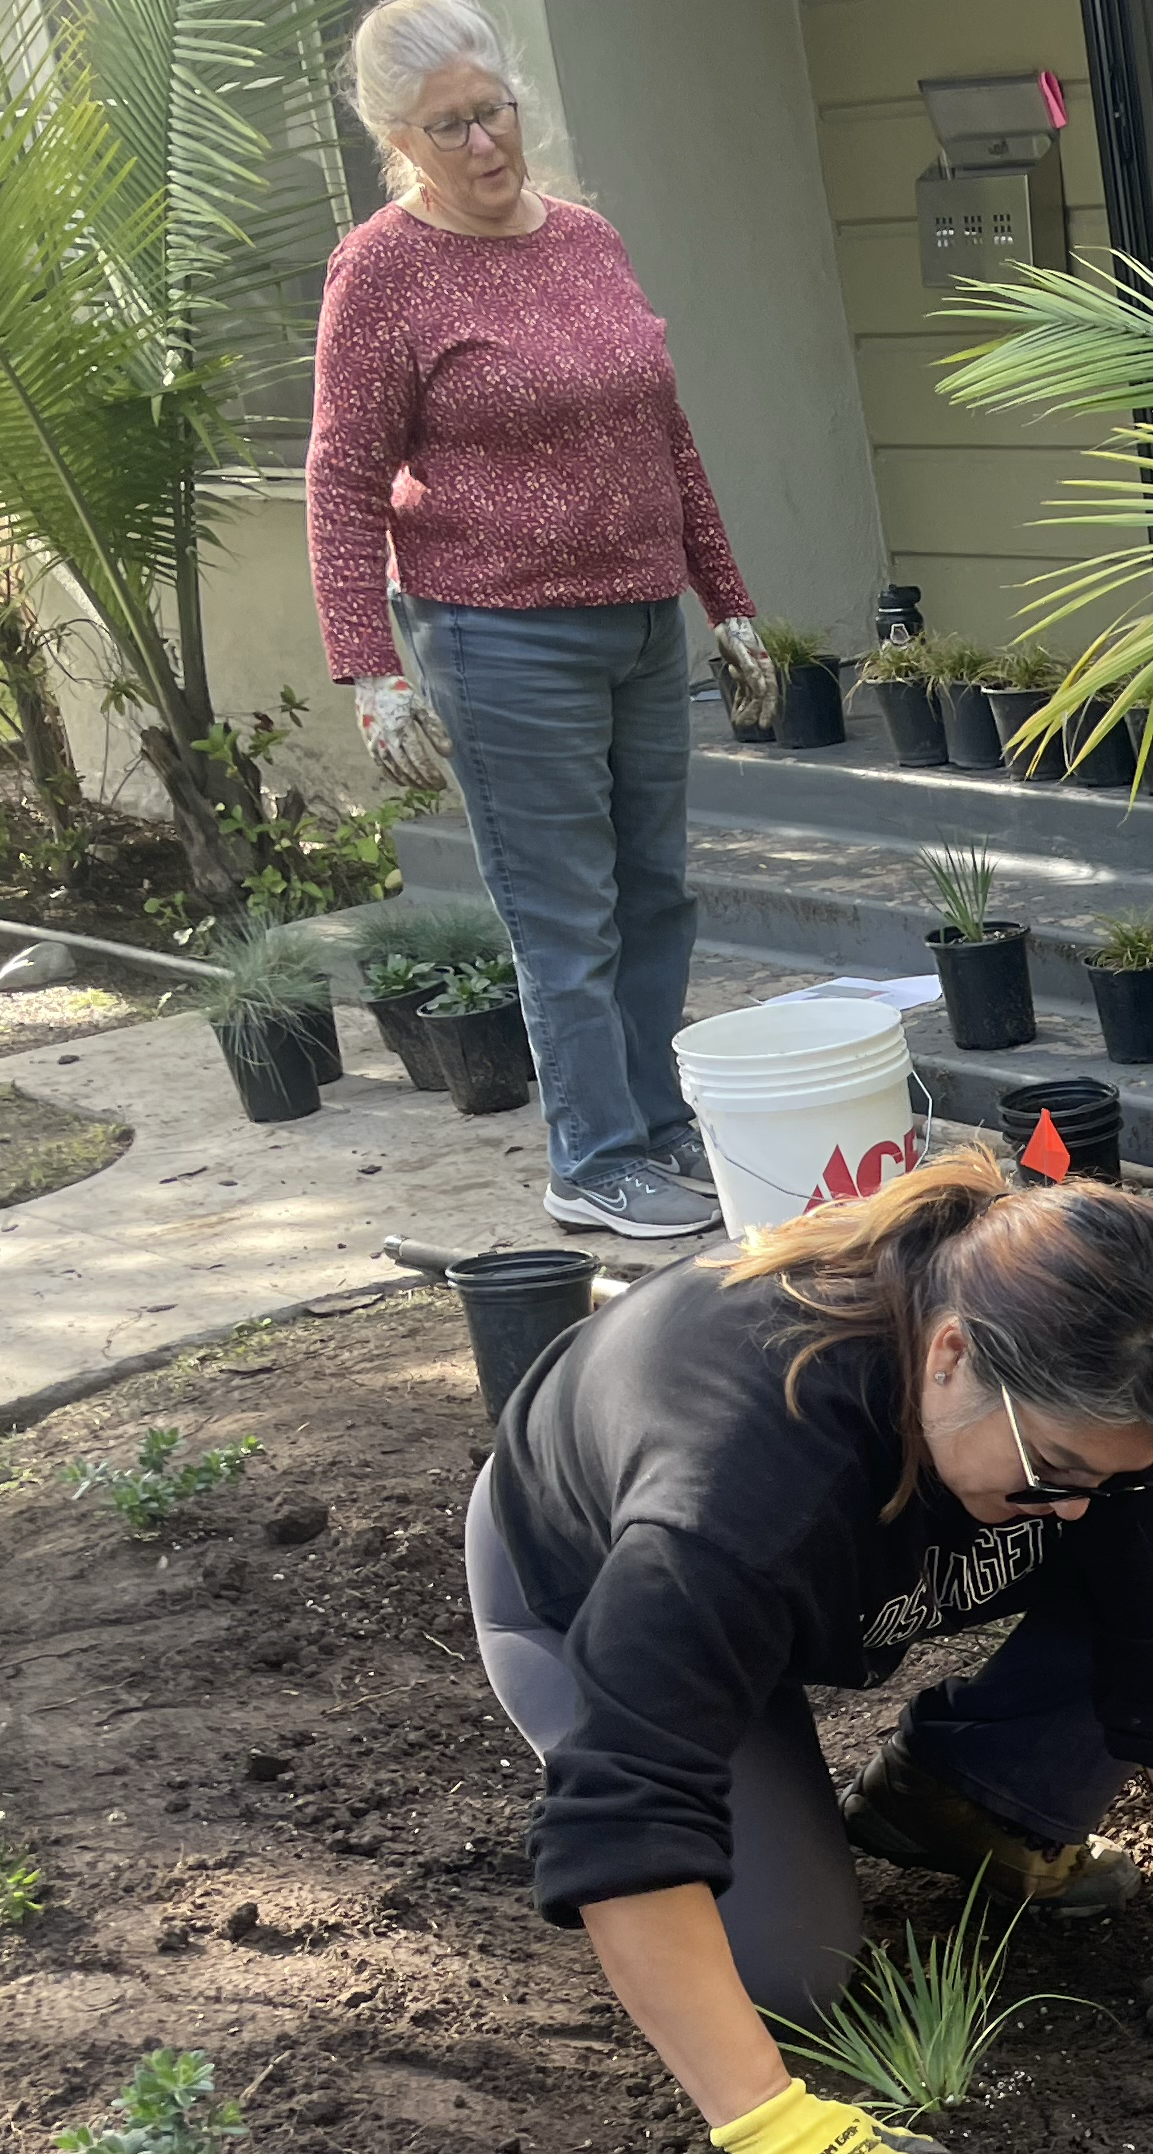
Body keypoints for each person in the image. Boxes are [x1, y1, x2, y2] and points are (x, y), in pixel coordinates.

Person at [463, 1158, 1153, 2154]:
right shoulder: (739, 1496)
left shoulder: (1072, 1428)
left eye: (1105, 1477)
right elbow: (621, 1814)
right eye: (1054, 1470)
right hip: (589, 1590)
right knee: (787, 1977)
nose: (1074, 1507)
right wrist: (766, 2119)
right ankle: (809, 1824)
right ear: (951, 1355)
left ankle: (962, 1801)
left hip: (827, 1562)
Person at [307, 0, 760, 1243]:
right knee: (567, 913)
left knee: (656, 893)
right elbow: (344, 480)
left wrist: (729, 603)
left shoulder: (589, 239)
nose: (484, 143)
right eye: (447, 126)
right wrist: (370, 670)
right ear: (398, 137)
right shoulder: (383, 269)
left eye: (492, 110)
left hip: (638, 619)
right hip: (500, 634)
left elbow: (664, 434)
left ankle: (660, 1125)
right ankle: (593, 1156)